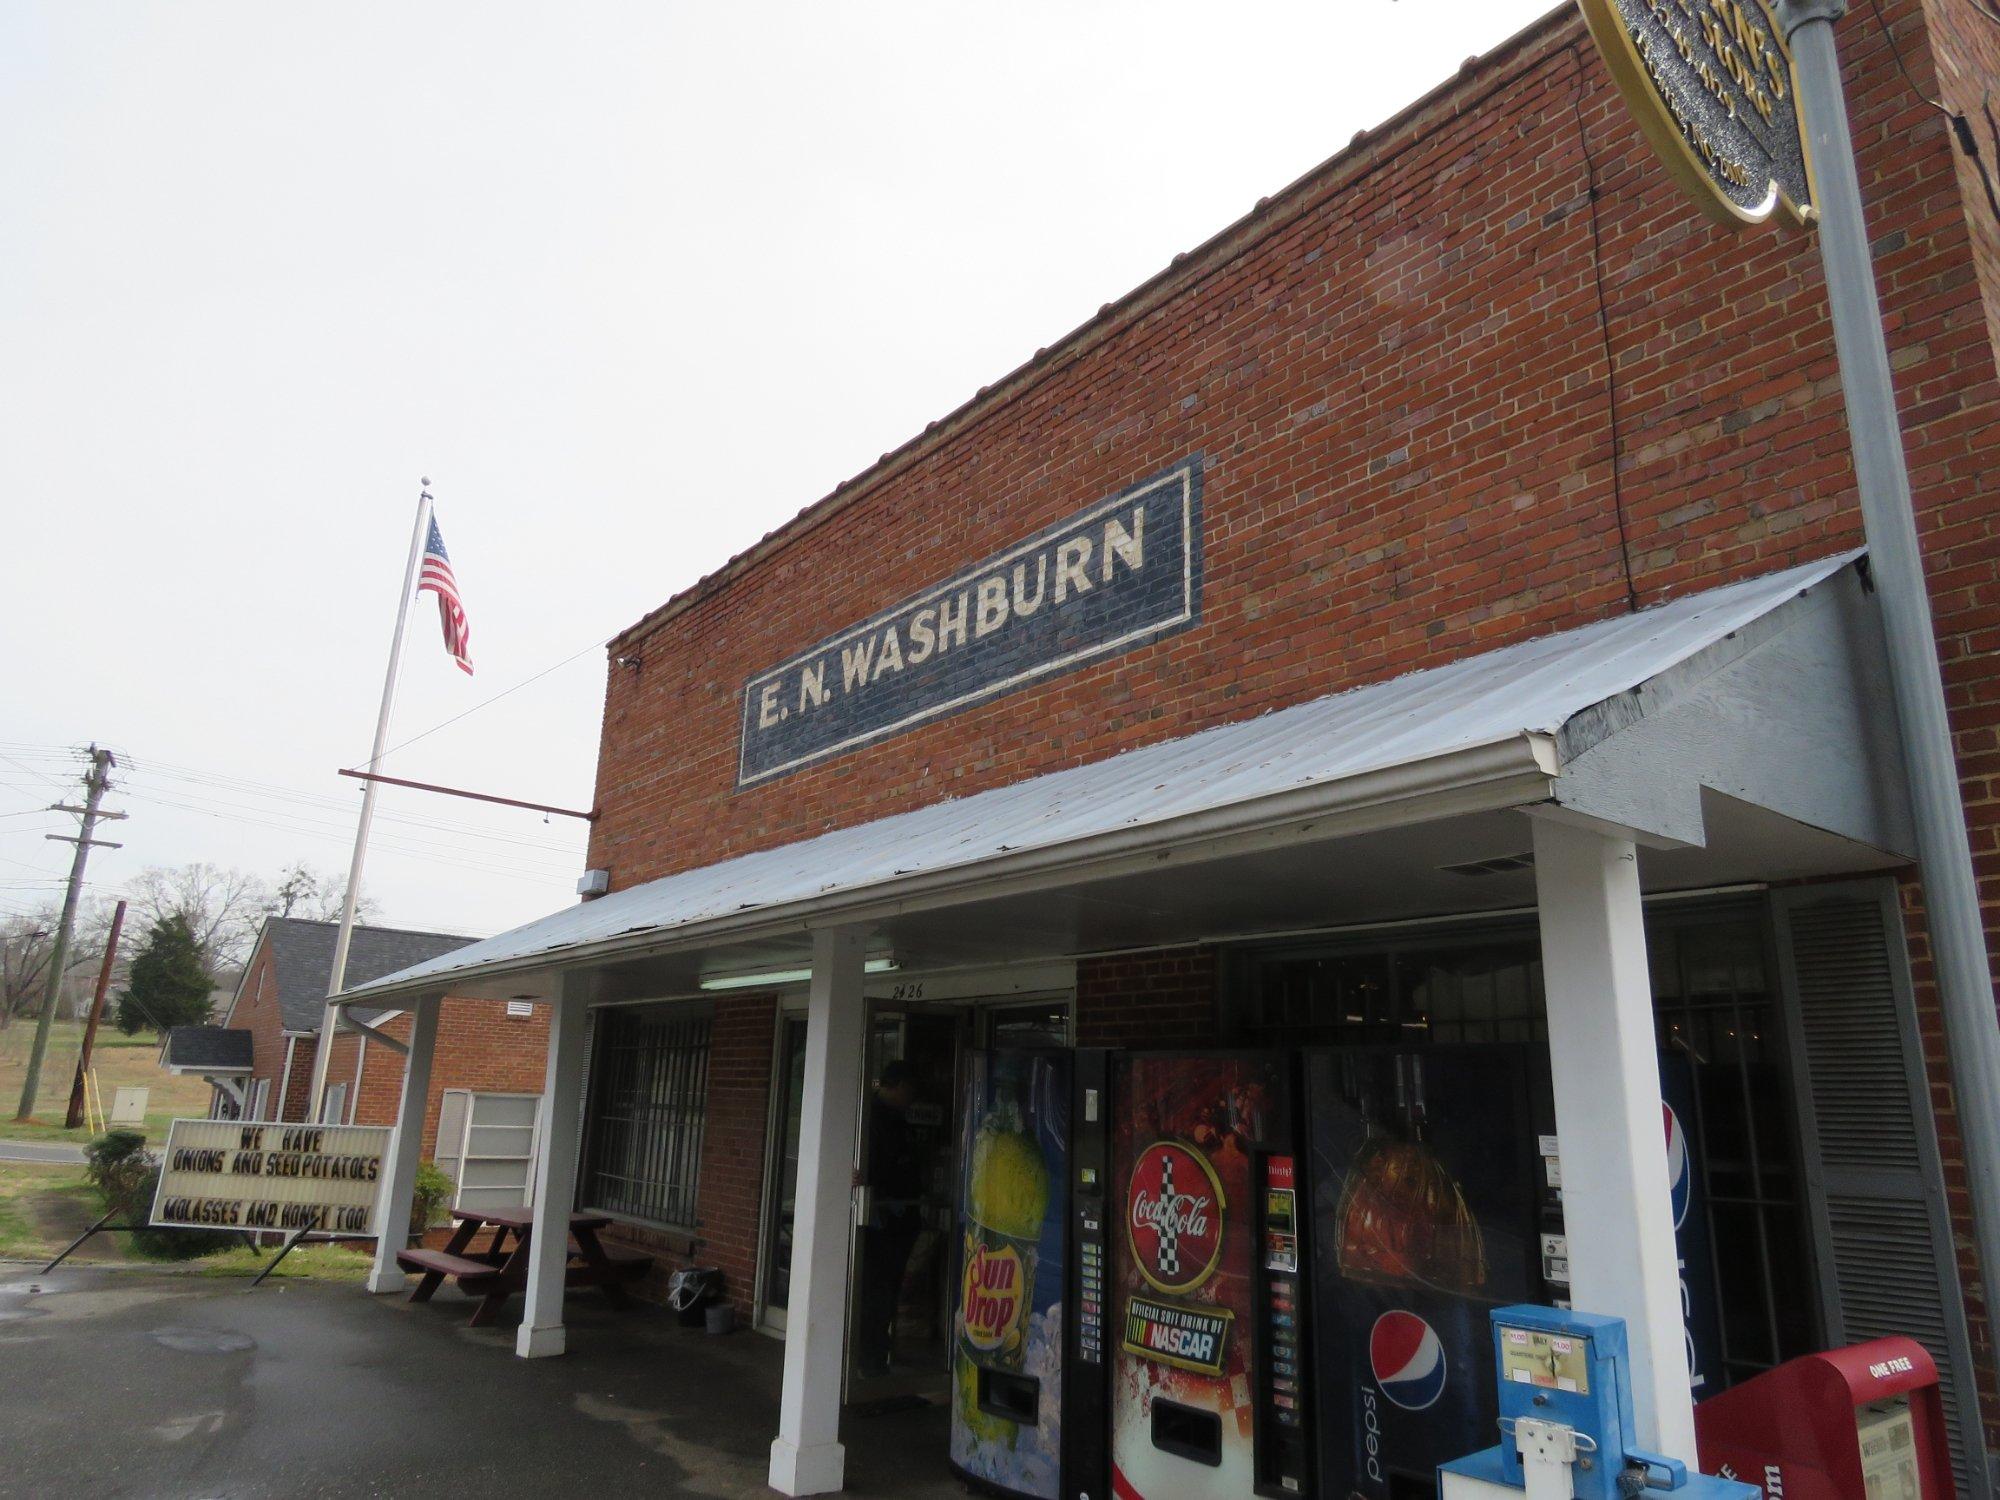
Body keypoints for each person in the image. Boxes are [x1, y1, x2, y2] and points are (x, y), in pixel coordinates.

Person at [856, 1059, 922, 1377]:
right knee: (877, 1291)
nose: (913, 1096)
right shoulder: (869, 1120)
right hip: (880, 1220)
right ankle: (870, 1358)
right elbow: (880, 1168)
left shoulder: (896, 1119)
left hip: (898, 1218)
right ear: (893, 1085)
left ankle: (877, 1354)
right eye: (909, 1089)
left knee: (886, 1290)